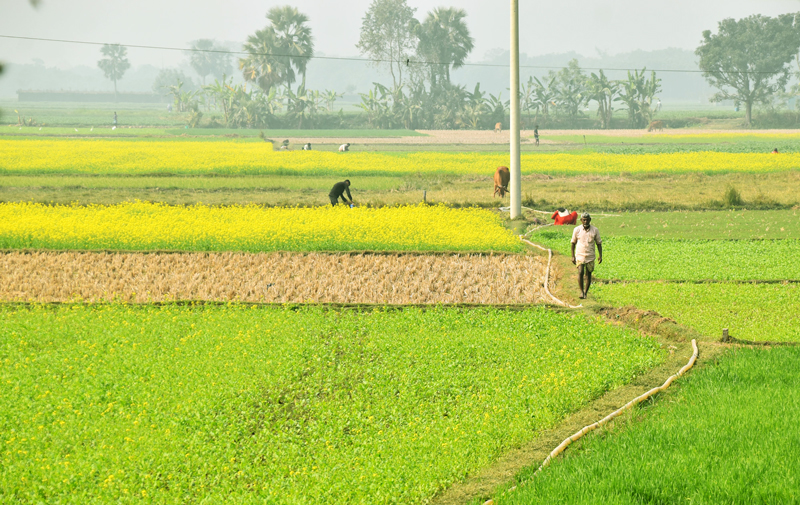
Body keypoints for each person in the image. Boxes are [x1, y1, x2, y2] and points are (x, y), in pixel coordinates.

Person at [571, 213, 603, 299]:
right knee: (580, 272)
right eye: (584, 220)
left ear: (590, 220)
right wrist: (573, 256)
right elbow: (573, 243)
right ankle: (581, 292)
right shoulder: (577, 230)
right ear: (581, 220)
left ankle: (585, 292)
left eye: (587, 219)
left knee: (588, 274)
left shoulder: (595, 230)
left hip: (590, 255)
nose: (586, 221)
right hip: (580, 255)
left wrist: (600, 255)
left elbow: (599, 243)